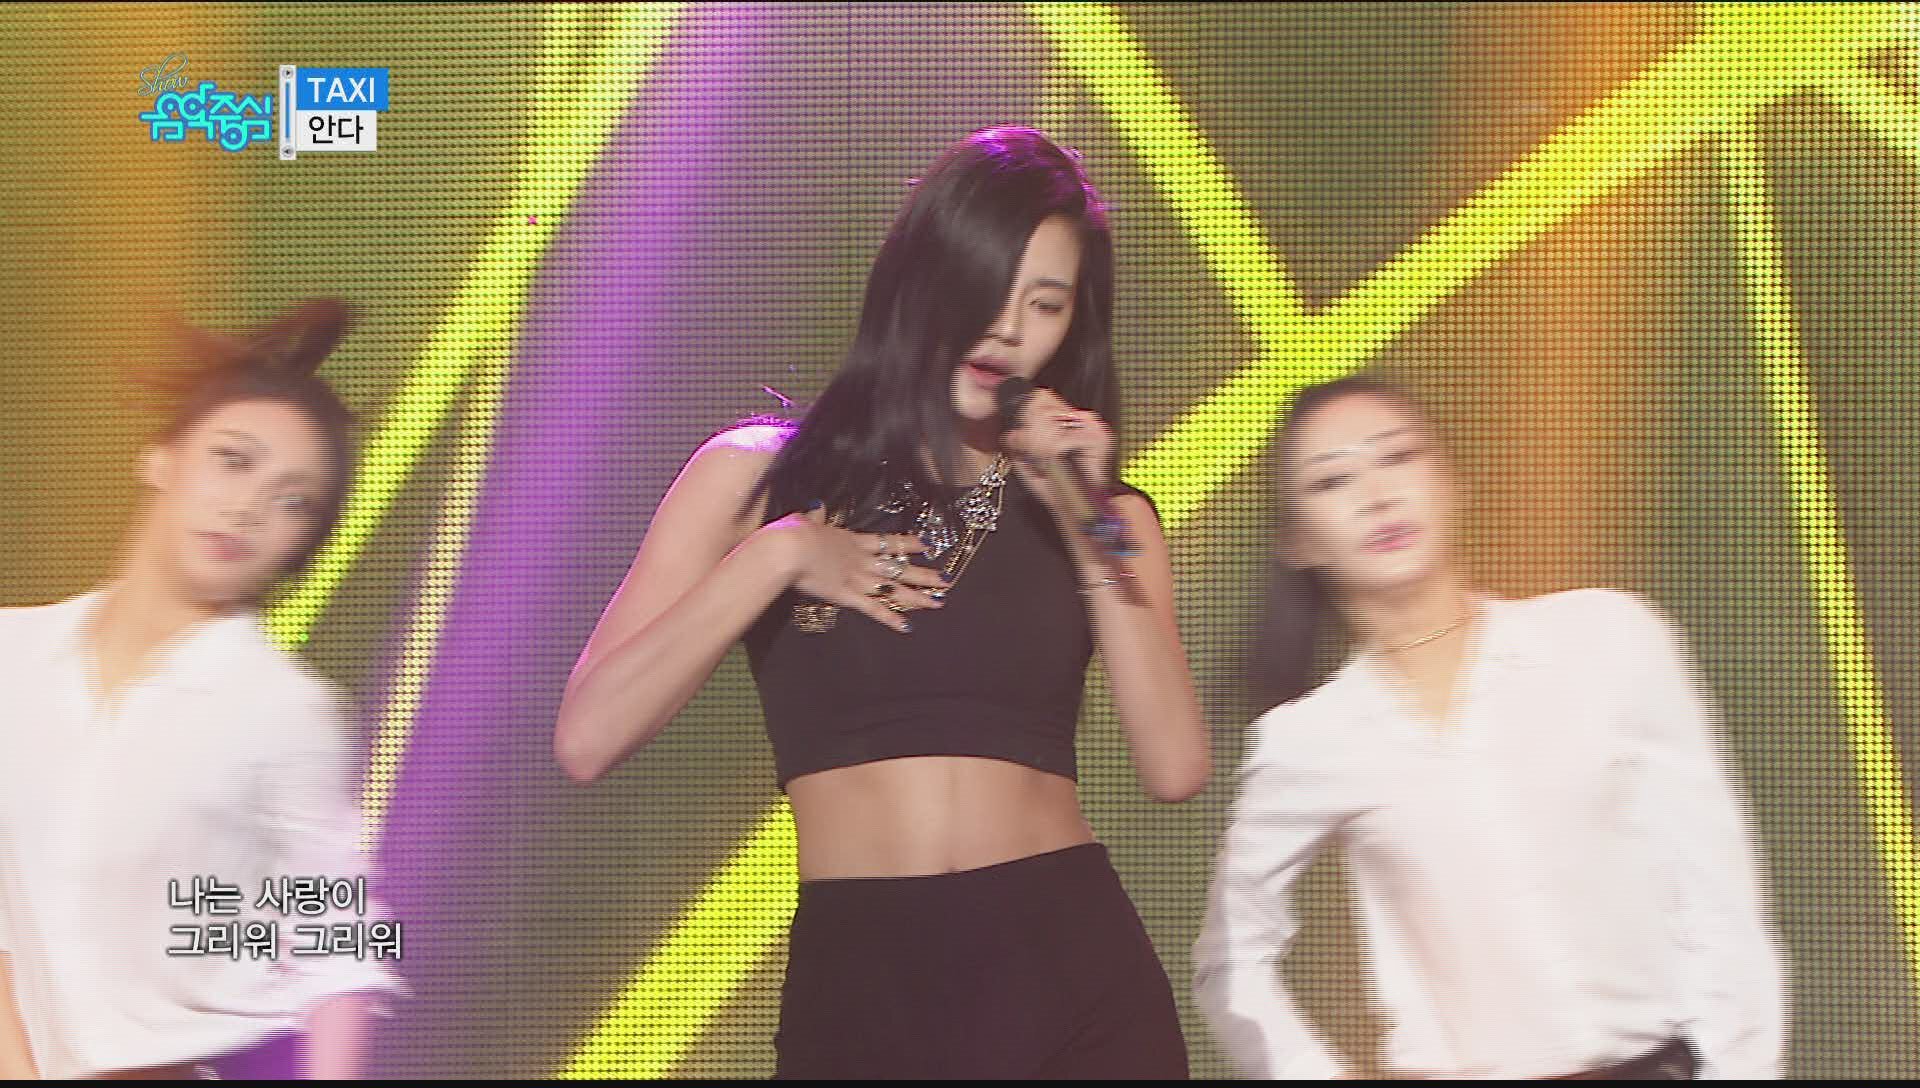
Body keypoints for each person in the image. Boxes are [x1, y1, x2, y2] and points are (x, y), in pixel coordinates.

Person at [555, 126, 1209, 1078]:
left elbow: (1177, 765)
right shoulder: (757, 477)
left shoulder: (1105, 518)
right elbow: (587, 737)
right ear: (922, 274)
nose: (1008, 328)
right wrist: (778, 556)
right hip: (864, 988)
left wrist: (1084, 517)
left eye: (1045, 303)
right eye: (985, 282)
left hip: (1072, 977)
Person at [1193, 372, 1787, 1079]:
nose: (1377, 495)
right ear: (1299, 541)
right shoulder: (1315, 736)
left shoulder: (1606, 638)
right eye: (1331, 481)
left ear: (1451, 481)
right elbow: (1232, 961)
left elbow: (1717, 890)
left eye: (1397, 456)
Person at [0, 300, 408, 1079]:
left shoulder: (283, 711)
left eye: (293, 501)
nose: (248, 508)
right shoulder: (12, 657)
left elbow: (337, 945)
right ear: (162, 457)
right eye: (232, 460)